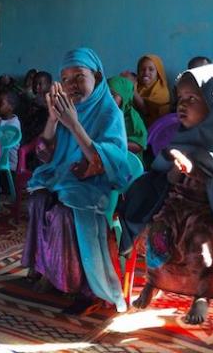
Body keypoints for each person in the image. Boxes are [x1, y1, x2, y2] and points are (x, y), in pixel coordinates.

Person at [121, 64, 213, 324]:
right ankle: (154, 282)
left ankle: (202, 295)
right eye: (180, 99)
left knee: (203, 244)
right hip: (175, 209)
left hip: (210, 216)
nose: (181, 105)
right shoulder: (182, 137)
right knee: (158, 235)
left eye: (192, 99)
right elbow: (161, 171)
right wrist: (172, 173)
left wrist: (202, 171)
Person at [22, 48, 131, 314]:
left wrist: (74, 125)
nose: (72, 85)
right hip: (64, 178)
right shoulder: (68, 110)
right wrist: (53, 119)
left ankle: (86, 288)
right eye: (66, 79)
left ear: (97, 76)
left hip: (96, 185)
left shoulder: (109, 113)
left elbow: (111, 162)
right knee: (37, 200)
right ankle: (48, 269)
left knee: (65, 213)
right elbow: (46, 154)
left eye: (79, 76)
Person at [108, 76, 148, 159]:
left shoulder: (133, 118)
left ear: (124, 96)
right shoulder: (106, 116)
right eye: (106, 95)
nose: (108, 99)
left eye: (113, 95)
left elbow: (140, 145)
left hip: (131, 161)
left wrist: (118, 145)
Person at [133, 54, 170, 127]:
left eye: (151, 69)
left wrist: (133, 91)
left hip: (155, 132)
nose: (146, 73)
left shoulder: (162, 92)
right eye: (142, 69)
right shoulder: (136, 86)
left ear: (158, 73)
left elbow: (145, 111)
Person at [0, 90, 21, 171]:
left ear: (11, 107)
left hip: (8, 166)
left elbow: (2, 142)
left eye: (1, 103)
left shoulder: (14, 124)